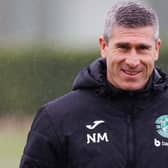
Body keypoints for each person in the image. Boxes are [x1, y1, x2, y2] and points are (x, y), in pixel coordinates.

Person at [20, 0, 168, 167]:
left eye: (142, 48)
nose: (133, 60)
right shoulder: (57, 117)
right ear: (104, 46)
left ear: (156, 49)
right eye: (123, 47)